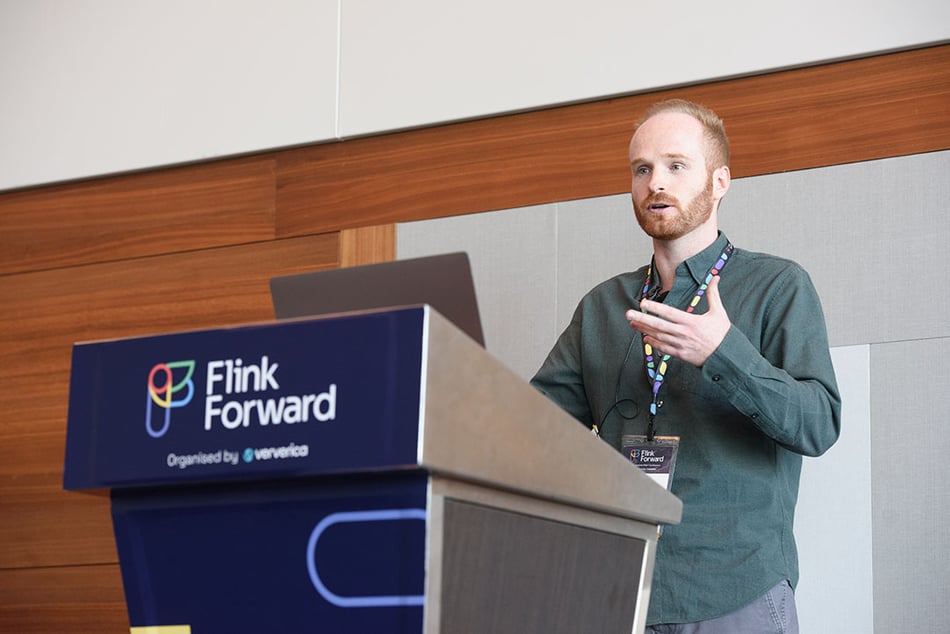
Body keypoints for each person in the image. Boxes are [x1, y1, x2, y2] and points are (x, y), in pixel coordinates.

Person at [530, 99, 841, 633]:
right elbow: (533, 428)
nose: (656, 183)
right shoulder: (604, 306)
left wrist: (725, 351)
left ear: (720, 181)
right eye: (642, 169)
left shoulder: (778, 286)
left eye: (677, 165)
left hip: (734, 591)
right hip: (618, 595)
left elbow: (818, 425)